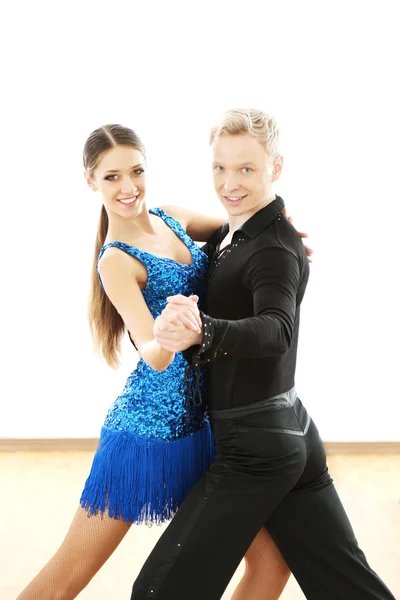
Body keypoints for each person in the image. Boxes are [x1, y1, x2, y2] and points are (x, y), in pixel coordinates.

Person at [17, 123, 311, 600]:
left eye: (135, 171)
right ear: (90, 181)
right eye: (112, 177)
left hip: (207, 427)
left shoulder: (174, 219)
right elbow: (151, 352)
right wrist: (173, 335)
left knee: (274, 564)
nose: (128, 187)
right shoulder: (115, 261)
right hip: (145, 435)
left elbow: (242, 233)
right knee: (65, 580)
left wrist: (287, 243)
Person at [131, 109, 396, 600]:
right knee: (345, 583)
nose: (230, 182)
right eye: (220, 167)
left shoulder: (272, 247)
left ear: (276, 167)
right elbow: (168, 223)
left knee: (159, 592)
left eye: (246, 169)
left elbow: (277, 330)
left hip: (253, 447)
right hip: (287, 429)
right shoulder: (241, 232)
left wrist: (201, 332)